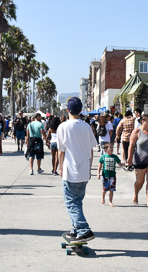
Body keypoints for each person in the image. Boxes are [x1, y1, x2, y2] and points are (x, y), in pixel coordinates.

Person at [57, 97, 97, 242]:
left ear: (67, 110)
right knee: (78, 201)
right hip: (84, 171)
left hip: (70, 171)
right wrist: (89, 168)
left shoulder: (63, 127)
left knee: (70, 203)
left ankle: (84, 229)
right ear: (81, 111)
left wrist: (60, 168)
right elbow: (92, 149)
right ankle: (75, 230)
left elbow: (61, 150)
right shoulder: (86, 126)